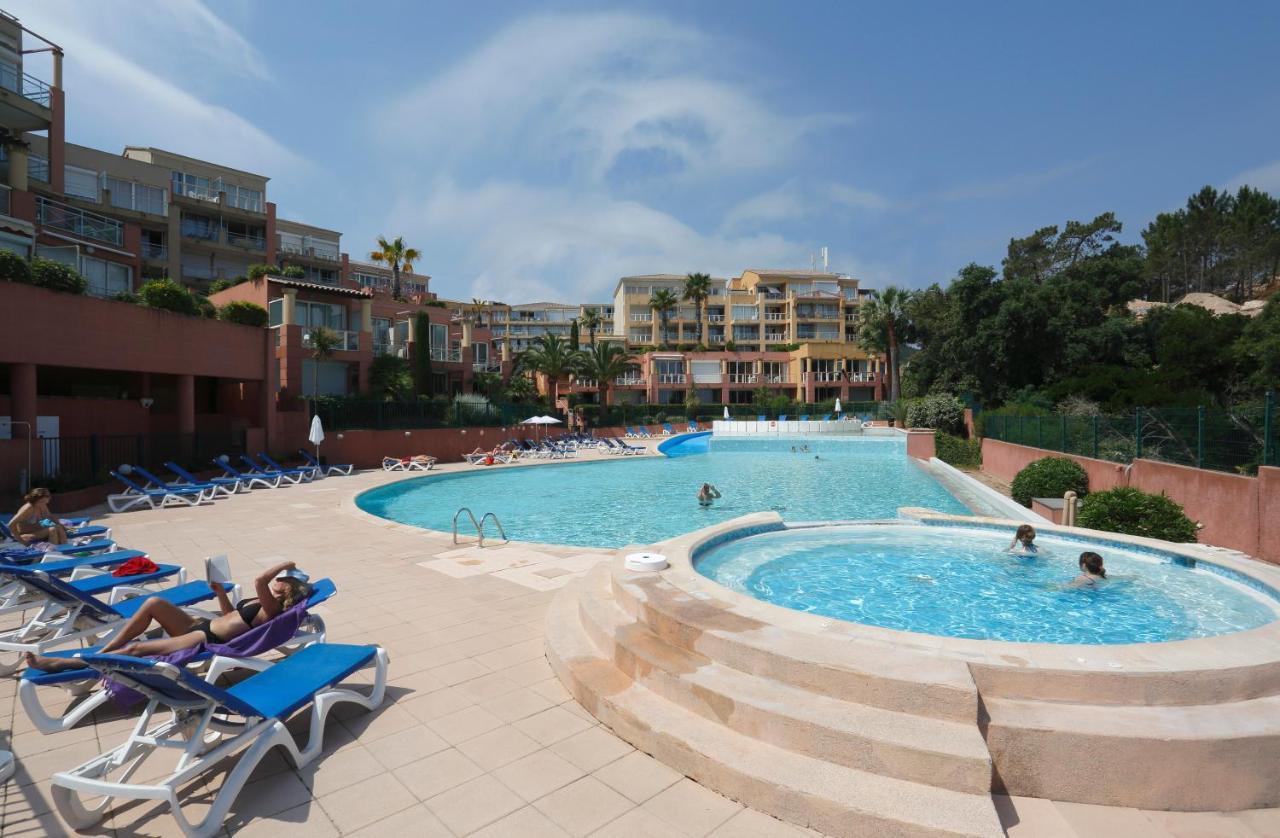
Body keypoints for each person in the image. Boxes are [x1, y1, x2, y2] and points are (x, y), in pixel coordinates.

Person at [24, 561, 312, 672]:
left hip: (204, 638)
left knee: (136, 650)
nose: (279, 579)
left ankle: (64, 663)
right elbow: (230, 616)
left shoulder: (272, 608)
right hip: (200, 625)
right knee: (154, 602)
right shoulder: (261, 603)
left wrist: (287, 563)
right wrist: (219, 592)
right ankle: (107, 649)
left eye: (284, 579)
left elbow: (261, 579)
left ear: (288, 588)